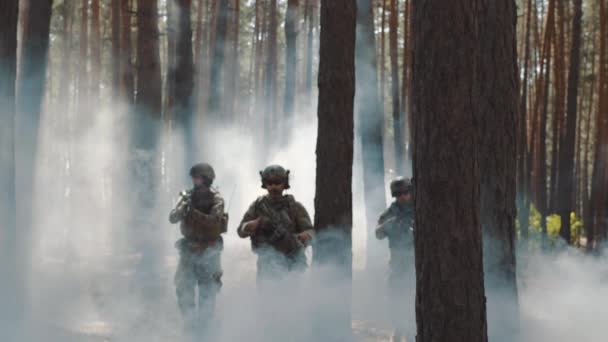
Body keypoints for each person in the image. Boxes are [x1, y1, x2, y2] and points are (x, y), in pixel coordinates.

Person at [169, 163, 227, 329]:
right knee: (183, 287)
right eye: (194, 177)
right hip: (188, 249)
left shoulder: (216, 198)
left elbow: (214, 220)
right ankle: (189, 323)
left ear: (207, 179)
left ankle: (205, 326)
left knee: (208, 290)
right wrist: (183, 207)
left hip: (209, 249)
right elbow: (172, 217)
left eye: (198, 177)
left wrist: (193, 212)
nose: (195, 180)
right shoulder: (187, 196)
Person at [237, 165, 314, 284]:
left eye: (277, 182)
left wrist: (303, 237)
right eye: (270, 183)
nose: (273, 187)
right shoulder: (257, 206)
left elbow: (311, 232)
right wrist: (252, 225)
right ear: (265, 184)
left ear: (284, 183)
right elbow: (240, 230)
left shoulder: (294, 207)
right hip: (266, 265)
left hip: (291, 262)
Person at [375, 176, 415, 342]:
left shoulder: (419, 208)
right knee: (397, 294)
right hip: (398, 258)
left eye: (405, 193)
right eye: (398, 194)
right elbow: (378, 234)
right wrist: (390, 224)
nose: (402, 197)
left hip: (416, 258)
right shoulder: (390, 213)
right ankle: (399, 329)